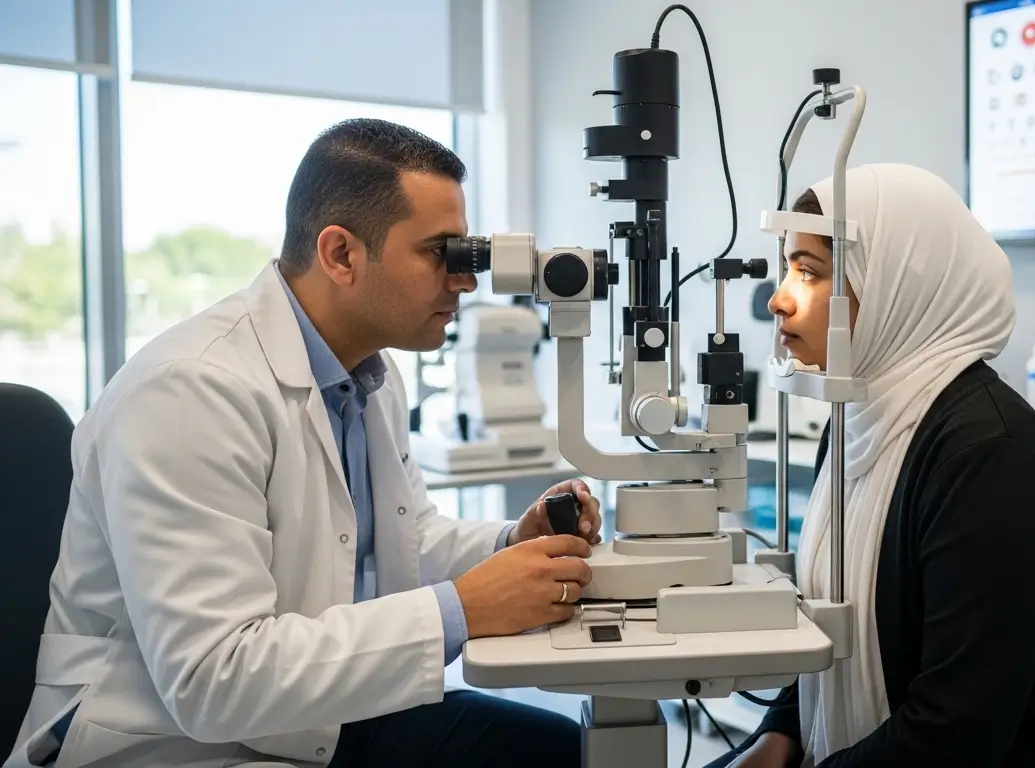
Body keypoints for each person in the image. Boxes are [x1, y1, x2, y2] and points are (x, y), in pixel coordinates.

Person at [6, 118, 604, 768]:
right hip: (171, 744)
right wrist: (461, 611)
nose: (465, 281)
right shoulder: (189, 392)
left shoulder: (371, 375)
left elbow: (399, 543)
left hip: (310, 717)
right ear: (341, 254)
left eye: (467, 254)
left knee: (568, 753)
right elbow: (213, 680)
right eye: (441, 252)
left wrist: (510, 544)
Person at [710, 164, 1035, 768]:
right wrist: (778, 734)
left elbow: (956, 730)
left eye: (809, 272)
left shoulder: (990, 456)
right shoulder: (857, 420)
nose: (780, 299)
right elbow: (828, 629)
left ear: (893, 285)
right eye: (788, 267)